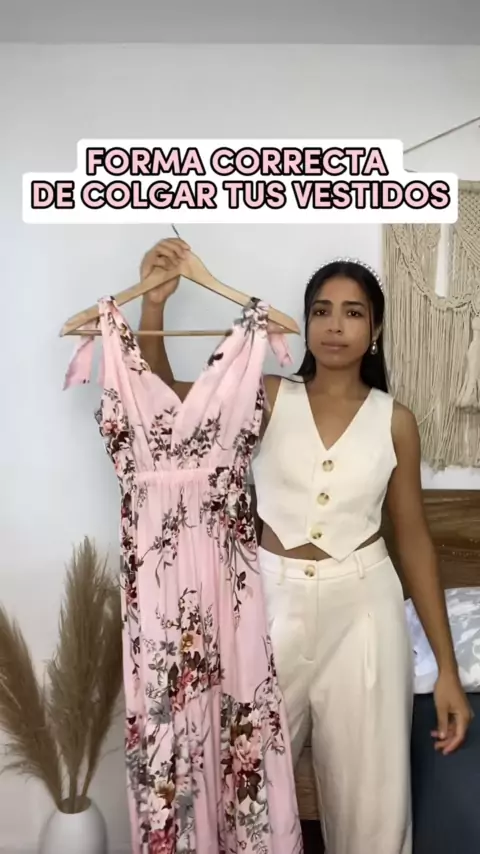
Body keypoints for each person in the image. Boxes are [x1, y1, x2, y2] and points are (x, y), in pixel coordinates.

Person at [137, 236, 472, 854]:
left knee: (373, 802)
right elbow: (165, 404)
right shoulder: (266, 396)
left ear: (374, 330)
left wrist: (447, 671)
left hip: (365, 612)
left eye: (353, 312)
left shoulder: (395, 420)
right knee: (244, 786)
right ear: (307, 322)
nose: (334, 325)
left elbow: (415, 541)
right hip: (268, 606)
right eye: (321, 310)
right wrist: (153, 307)